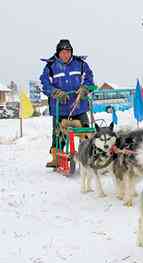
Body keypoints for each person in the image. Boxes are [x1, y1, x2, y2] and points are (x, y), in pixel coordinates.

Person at [40, 39, 95, 168]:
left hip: (79, 106)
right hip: (60, 108)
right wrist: (54, 92)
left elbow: (89, 78)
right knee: (58, 134)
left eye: (68, 52)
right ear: (58, 53)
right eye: (63, 52)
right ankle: (56, 157)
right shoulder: (50, 66)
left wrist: (85, 88)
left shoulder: (80, 64)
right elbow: (45, 83)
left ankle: (88, 154)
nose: (66, 54)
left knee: (86, 131)